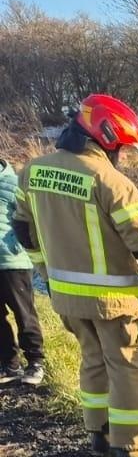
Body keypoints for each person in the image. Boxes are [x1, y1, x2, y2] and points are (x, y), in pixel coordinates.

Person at [13, 94, 138, 457]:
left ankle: (98, 434)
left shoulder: (33, 170)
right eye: (122, 146)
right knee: (128, 366)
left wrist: (45, 272)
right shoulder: (111, 181)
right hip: (116, 299)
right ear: (105, 139)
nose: (123, 154)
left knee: (92, 360)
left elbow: (22, 228)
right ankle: (131, 447)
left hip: (65, 296)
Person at [0, 154, 45, 387]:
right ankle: (10, 364)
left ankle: (36, 362)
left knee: (24, 315)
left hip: (14, 261)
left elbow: (28, 219)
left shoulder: (13, 183)